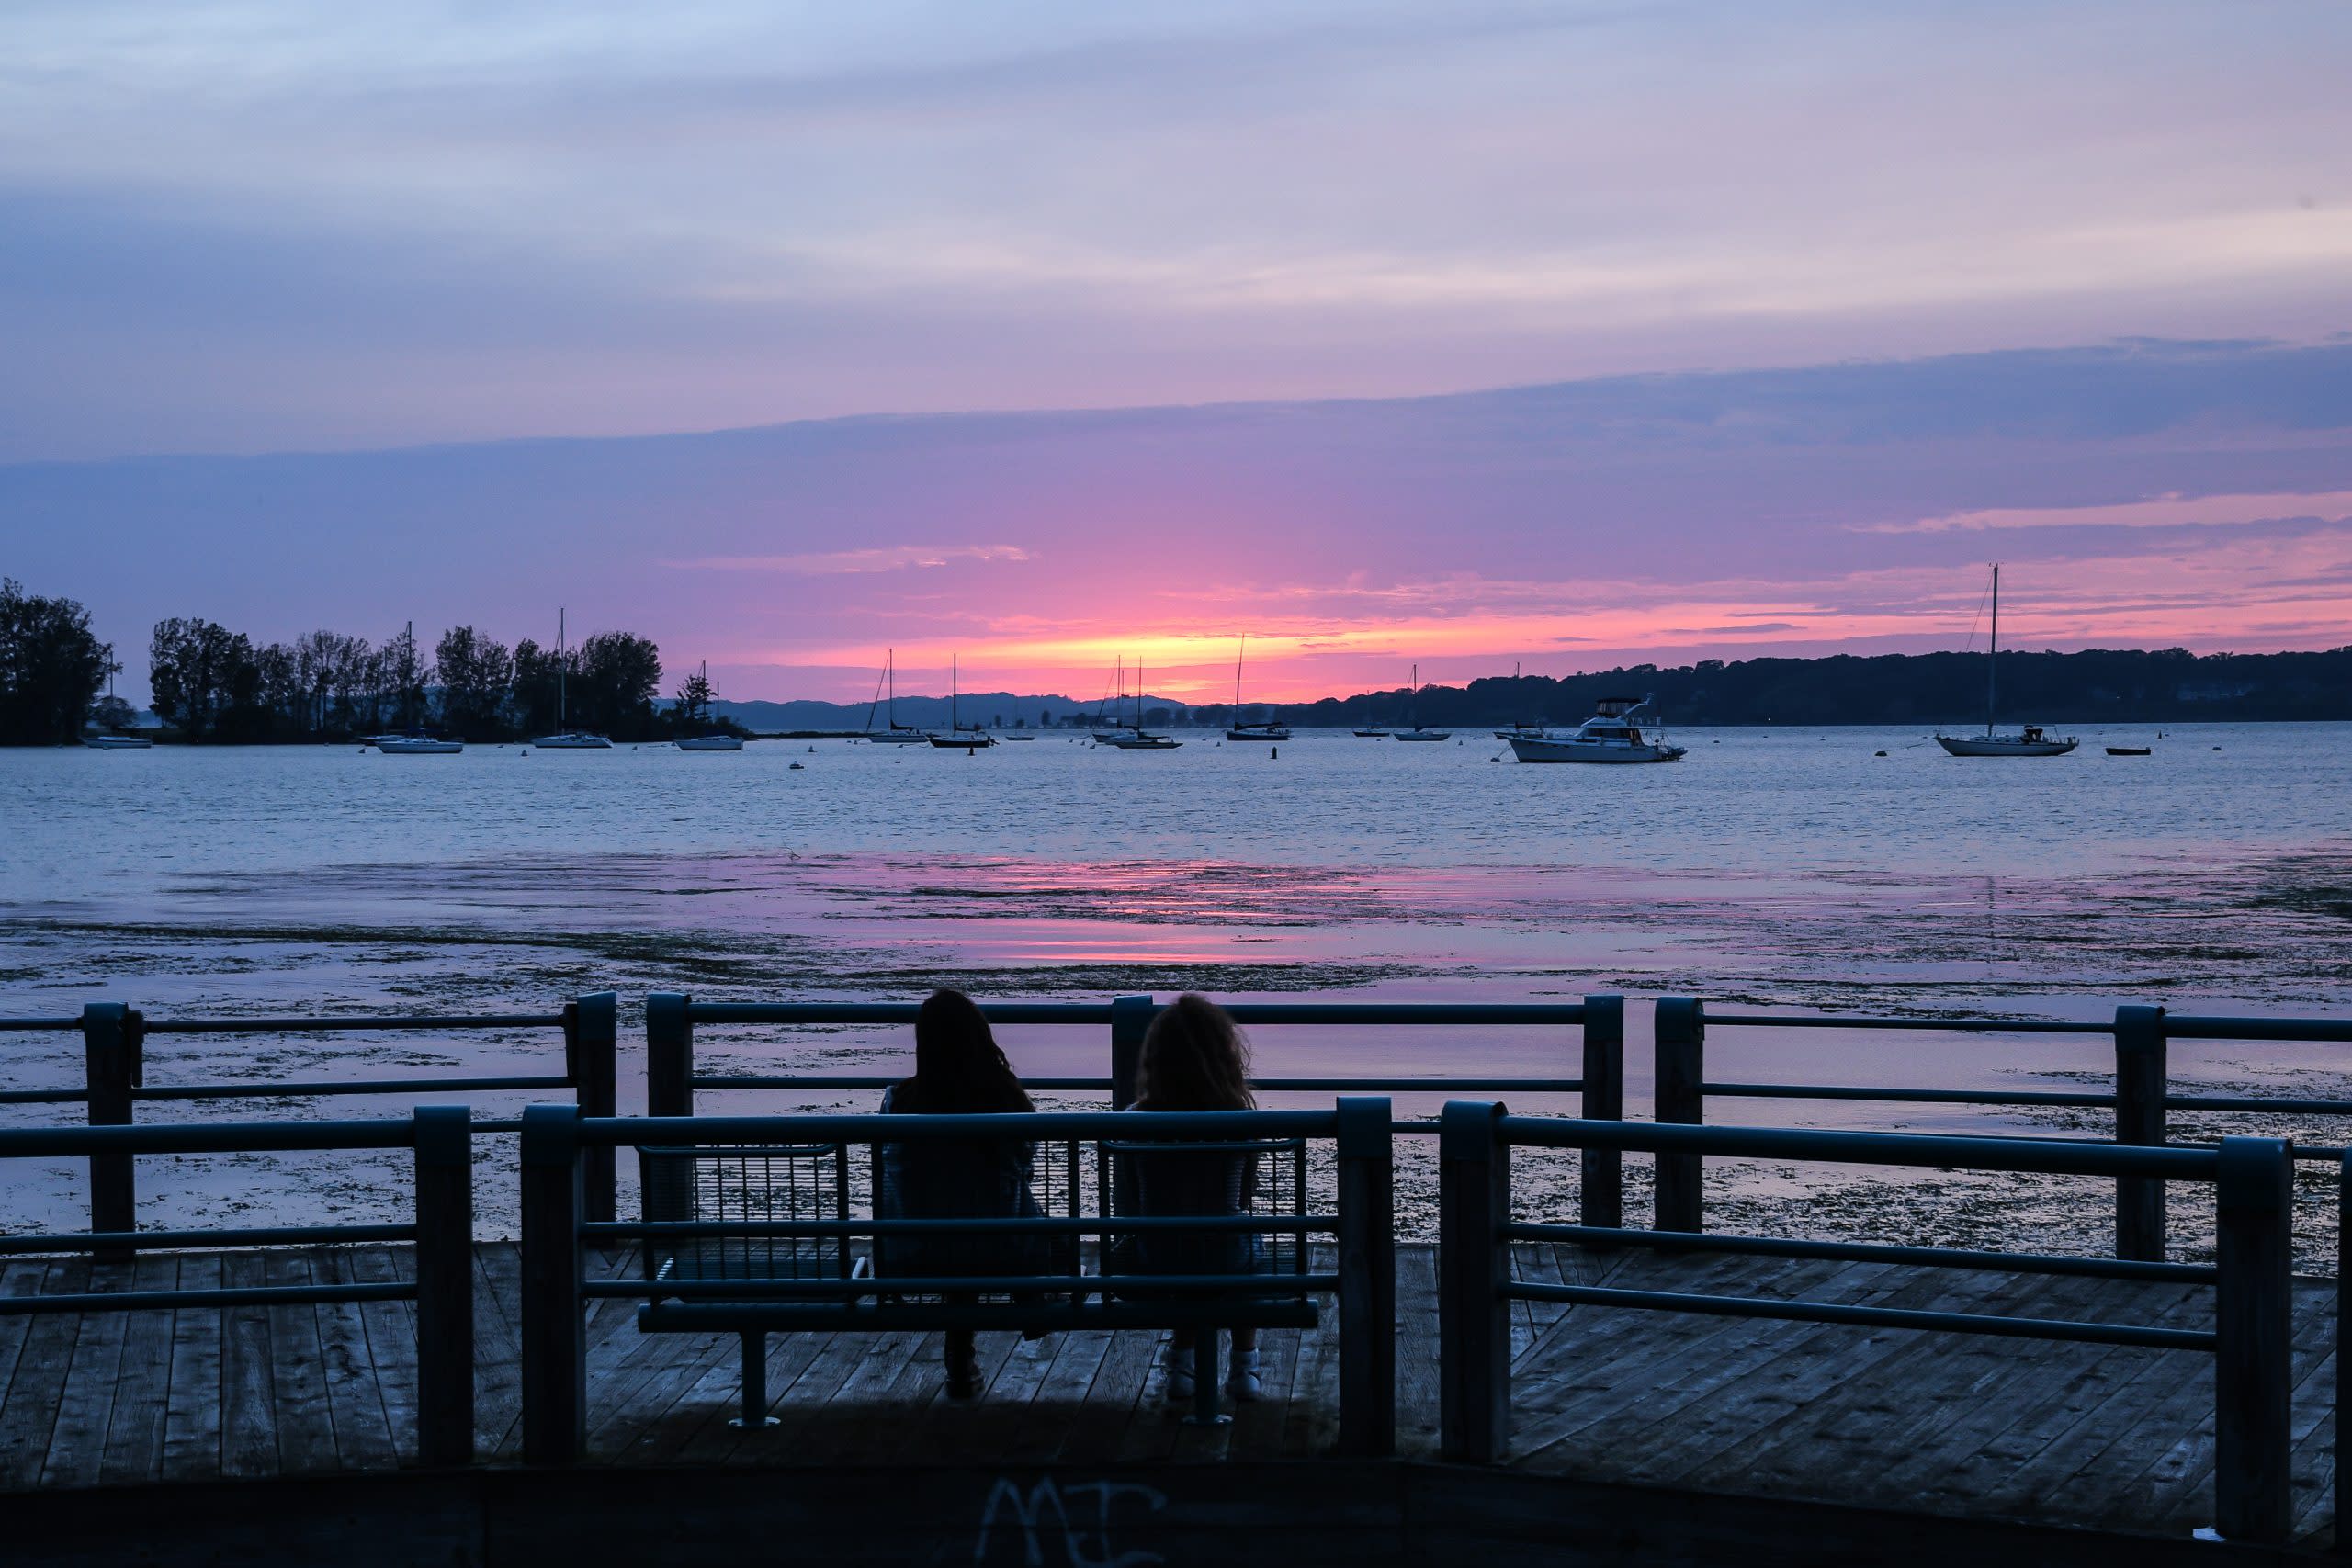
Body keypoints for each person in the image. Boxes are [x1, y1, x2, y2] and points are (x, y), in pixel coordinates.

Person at [876, 988, 1044, 1400]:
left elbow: (888, 1168)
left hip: (916, 1250)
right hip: (1000, 1249)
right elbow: (1024, 1162)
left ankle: (960, 1351)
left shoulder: (899, 1101)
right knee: (1008, 1210)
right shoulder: (1006, 1099)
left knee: (950, 1218)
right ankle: (1030, 1300)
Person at [1117, 993, 1265, 1405]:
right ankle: (1244, 1366)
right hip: (1225, 1255)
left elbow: (1129, 1198)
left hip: (1158, 1256)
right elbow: (1245, 1192)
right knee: (1236, 1242)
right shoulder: (1239, 1119)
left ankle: (1182, 1366)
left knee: (1177, 1243)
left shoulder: (1135, 1119)